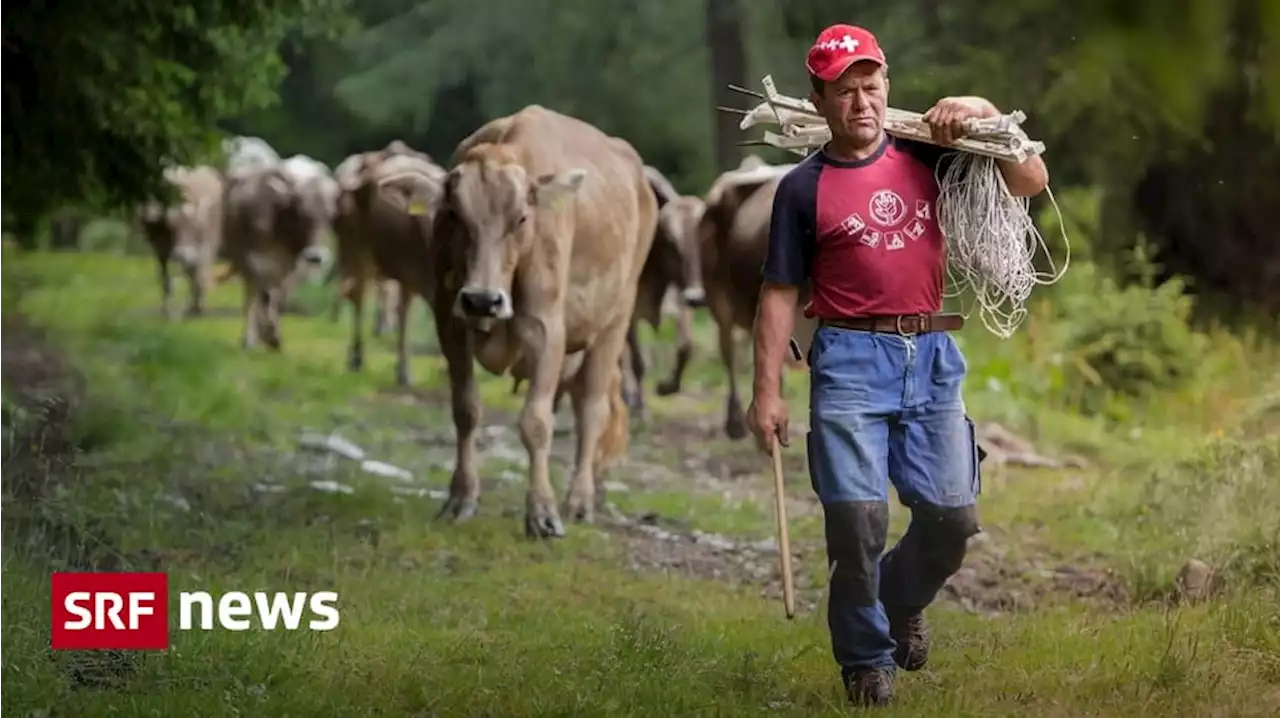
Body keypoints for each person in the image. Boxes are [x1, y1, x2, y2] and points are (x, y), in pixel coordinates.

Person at [745, 23, 1049, 708]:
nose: (861, 103)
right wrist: (766, 392)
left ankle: (898, 600)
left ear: (888, 87)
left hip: (932, 357)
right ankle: (864, 659)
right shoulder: (802, 188)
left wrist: (980, 110)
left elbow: (1030, 177)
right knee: (855, 526)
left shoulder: (932, 154)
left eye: (871, 86)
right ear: (818, 99)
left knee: (953, 522)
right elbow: (779, 294)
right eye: (844, 91)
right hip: (850, 360)